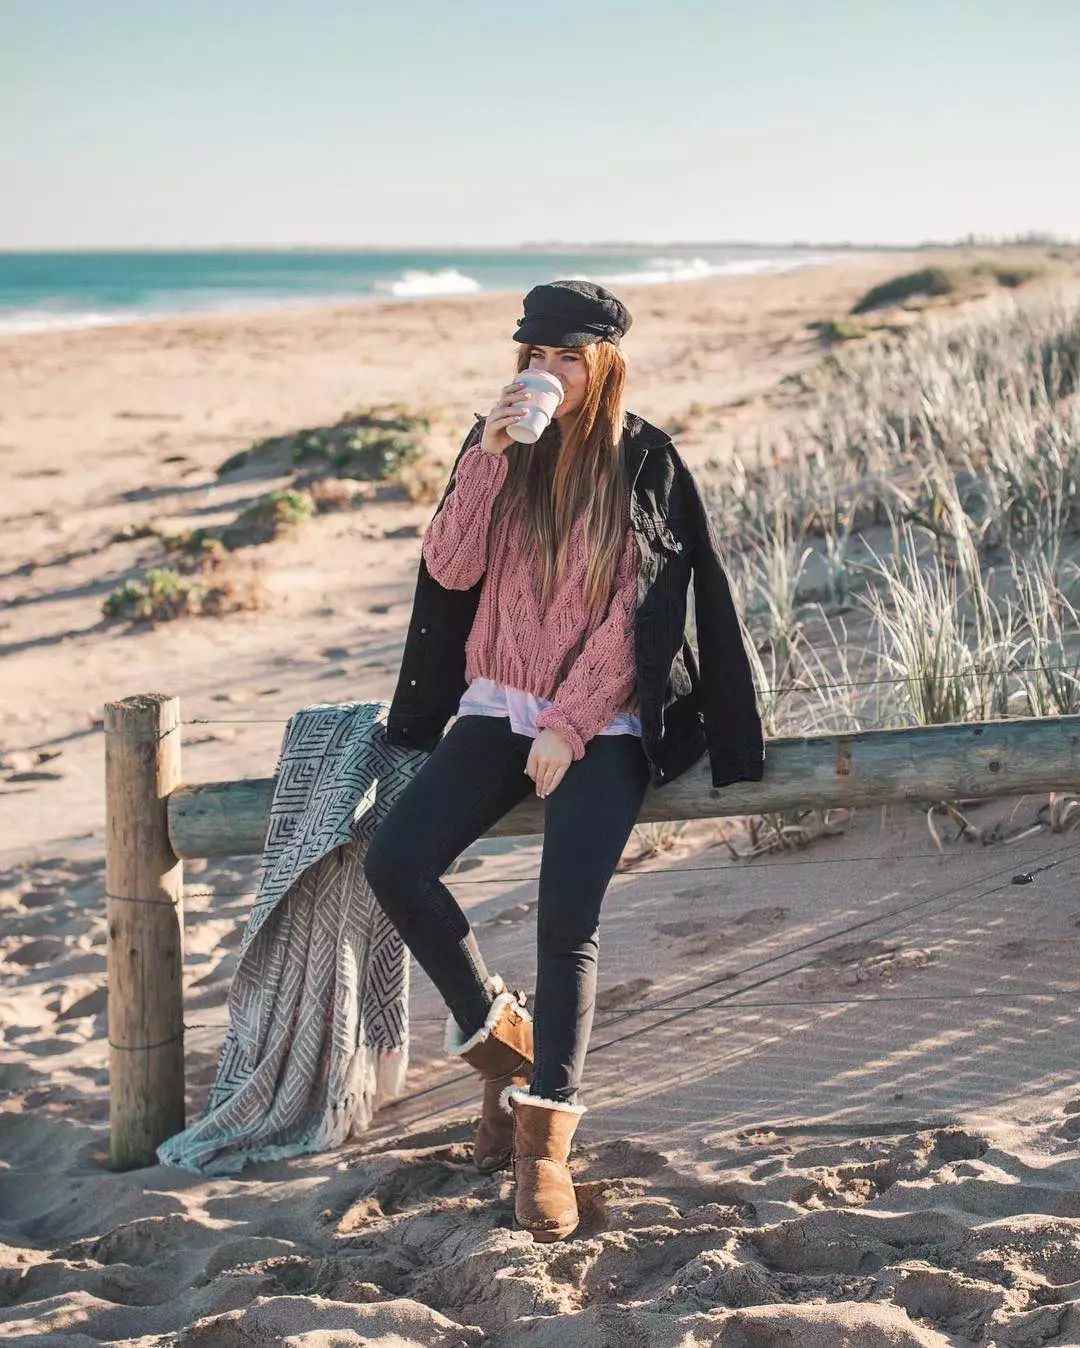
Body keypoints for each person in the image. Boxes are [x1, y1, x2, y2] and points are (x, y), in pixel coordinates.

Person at [364, 279, 764, 1243]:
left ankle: (543, 1144)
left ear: (604, 364)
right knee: (396, 862)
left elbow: (640, 616)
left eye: (566, 359)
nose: (546, 372)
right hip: (498, 702)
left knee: (565, 918)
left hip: (607, 720)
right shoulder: (496, 445)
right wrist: (488, 461)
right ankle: (505, 1048)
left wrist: (571, 724)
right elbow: (450, 568)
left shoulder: (642, 460)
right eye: (533, 356)